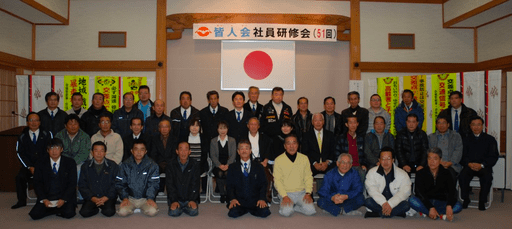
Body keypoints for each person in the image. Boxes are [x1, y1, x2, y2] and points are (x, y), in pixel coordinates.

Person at [409, 147, 462, 221]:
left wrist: (449, 205)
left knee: (458, 206)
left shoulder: (447, 173)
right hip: (426, 202)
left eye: (435, 159)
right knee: (411, 200)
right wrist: (430, 207)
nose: (432, 161)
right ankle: (438, 213)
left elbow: (452, 191)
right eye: (429, 158)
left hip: (442, 202)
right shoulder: (420, 173)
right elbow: (419, 193)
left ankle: (428, 213)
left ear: (440, 160)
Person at [12, 113, 52, 209]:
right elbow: (19, 153)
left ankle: (45, 198)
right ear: (27, 122)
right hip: (28, 166)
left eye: (36, 120)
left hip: (44, 165)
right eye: (31, 120)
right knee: (20, 177)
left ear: (40, 122)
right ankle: (21, 201)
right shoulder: (22, 136)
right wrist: (29, 166)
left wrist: (40, 166)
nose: (34, 123)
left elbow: (51, 151)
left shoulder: (47, 134)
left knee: (49, 176)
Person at [29, 139, 77, 220]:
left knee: (69, 214)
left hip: (63, 196)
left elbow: (72, 183)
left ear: (61, 149)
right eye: (51, 148)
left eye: (57, 148)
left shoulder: (70, 162)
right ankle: (55, 210)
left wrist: (63, 199)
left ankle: (54, 209)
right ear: (47, 150)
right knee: (34, 215)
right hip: (48, 196)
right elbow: (37, 183)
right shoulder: (40, 163)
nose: (54, 151)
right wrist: (44, 199)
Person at [459, 116, 499, 210]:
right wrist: (468, 163)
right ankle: (466, 199)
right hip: (469, 165)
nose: (476, 127)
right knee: (462, 176)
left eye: (479, 125)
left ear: (483, 126)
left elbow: (493, 156)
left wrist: (482, 165)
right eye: (473, 125)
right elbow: (461, 156)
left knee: (487, 177)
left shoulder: (490, 139)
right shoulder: (465, 139)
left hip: (484, 166)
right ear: (470, 126)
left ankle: (482, 200)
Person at [226, 139, 271, 218]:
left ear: (250, 151)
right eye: (241, 148)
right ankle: (244, 208)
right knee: (233, 214)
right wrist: (232, 199)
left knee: (265, 213)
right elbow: (229, 185)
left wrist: (262, 198)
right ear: (238, 151)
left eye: (246, 148)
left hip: (255, 200)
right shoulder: (232, 167)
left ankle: (251, 208)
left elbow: (264, 184)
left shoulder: (259, 167)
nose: (244, 151)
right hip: (239, 200)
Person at [274, 135, 316, 217]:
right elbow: (277, 181)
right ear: (285, 146)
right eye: (288, 143)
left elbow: (308, 177)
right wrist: (284, 196)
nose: (291, 146)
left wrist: (308, 193)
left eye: (294, 143)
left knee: (311, 211)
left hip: (302, 192)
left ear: (298, 145)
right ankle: (287, 205)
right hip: (287, 193)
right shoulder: (279, 160)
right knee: (286, 213)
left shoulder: (304, 158)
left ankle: (295, 207)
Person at [116, 139, 160, 217]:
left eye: (142, 149)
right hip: (130, 198)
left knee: (152, 212)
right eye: (136, 149)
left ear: (146, 151)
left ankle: (140, 207)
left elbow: (154, 183)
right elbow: (120, 183)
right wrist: (125, 197)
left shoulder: (152, 165)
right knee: (122, 212)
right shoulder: (125, 165)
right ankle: (133, 208)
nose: (139, 152)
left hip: (145, 198)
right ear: (132, 151)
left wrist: (150, 197)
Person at [364, 147, 411, 218]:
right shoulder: (372, 172)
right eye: (383, 159)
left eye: (388, 159)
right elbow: (372, 190)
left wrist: (390, 204)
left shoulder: (402, 174)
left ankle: (379, 214)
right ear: (379, 160)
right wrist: (383, 203)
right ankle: (394, 213)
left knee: (406, 205)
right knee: (368, 201)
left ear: (393, 160)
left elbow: (405, 192)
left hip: (394, 203)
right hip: (379, 202)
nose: (385, 162)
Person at [78, 141, 119, 218]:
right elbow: (82, 185)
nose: (99, 153)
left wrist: (106, 197)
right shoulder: (85, 166)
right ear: (92, 152)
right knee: (84, 213)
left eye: (102, 151)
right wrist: (92, 198)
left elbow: (116, 184)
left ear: (105, 153)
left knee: (109, 212)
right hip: (92, 197)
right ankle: (97, 208)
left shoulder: (113, 165)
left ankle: (101, 206)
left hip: (107, 197)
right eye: (96, 151)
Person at [166, 142, 200, 217]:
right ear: (177, 151)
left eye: (186, 150)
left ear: (189, 152)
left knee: (193, 212)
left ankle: (184, 206)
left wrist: (192, 199)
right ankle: (179, 206)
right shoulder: (170, 165)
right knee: (174, 213)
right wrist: (174, 200)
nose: (183, 152)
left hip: (189, 198)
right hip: (177, 198)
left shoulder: (195, 164)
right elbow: (169, 185)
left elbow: (195, 184)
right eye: (181, 150)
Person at [244, 117, 273, 202]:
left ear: (259, 126)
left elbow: (269, 150)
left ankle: (266, 197)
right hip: (248, 162)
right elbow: (240, 152)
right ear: (248, 126)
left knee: (267, 175)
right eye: (251, 124)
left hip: (262, 162)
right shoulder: (243, 137)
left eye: (255, 124)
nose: (253, 126)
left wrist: (265, 161)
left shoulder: (265, 138)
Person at [210, 120, 237, 203]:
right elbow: (212, 156)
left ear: (227, 129)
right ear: (217, 130)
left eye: (224, 128)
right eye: (220, 128)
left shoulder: (232, 140)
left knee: (227, 173)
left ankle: (228, 193)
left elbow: (233, 155)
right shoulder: (213, 141)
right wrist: (219, 165)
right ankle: (222, 194)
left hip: (230, 164)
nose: (222, 130)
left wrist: (228, 165)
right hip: (217, 165)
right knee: (220, 173)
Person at [301, 113, 336, 177]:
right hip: (312, 166)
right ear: (312, 122)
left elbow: (333, 151)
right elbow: (305, 152)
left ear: (323, 122)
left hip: (327, 166)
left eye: (320, 120)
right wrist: (314, 163)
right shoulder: (306, 135)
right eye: (315, 120)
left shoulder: (330, 135)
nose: (318, 123)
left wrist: (326, 163)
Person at [335, 115, 367, 182]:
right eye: (350, 123)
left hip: (358, 166)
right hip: (345, 166)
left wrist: (364, 164)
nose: (353, 125)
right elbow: (337, 153)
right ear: (346, 124)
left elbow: (365, 153)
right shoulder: (341, 138)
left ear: (357, 124)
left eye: (354, 123)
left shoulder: (361, 138)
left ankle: (361, 192)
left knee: (363, 174)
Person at [149, 119, 177, 194]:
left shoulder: (175, 139)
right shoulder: (154, 139)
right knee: (154, 169)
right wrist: (159, 163)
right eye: (162, 127)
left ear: (170, 128)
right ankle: (157, 190)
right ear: (159, 129)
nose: (164, 129)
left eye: (166, 127)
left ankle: (171, 191)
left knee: (172, 168)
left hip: (171, 163)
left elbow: (175, 154)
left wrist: (168, 163)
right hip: (158, 163)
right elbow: (153, 154)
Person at [187, 118, 210, 194]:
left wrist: (198, 164)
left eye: (197, 126)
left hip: (201, 163)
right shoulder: (185, 137)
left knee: (201, 169)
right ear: (189, 126)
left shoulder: (204, 138)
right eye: (192, 125)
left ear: (200, 128)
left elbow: (205, 154)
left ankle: (203, 189)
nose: (194, 128)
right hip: (188, 163)